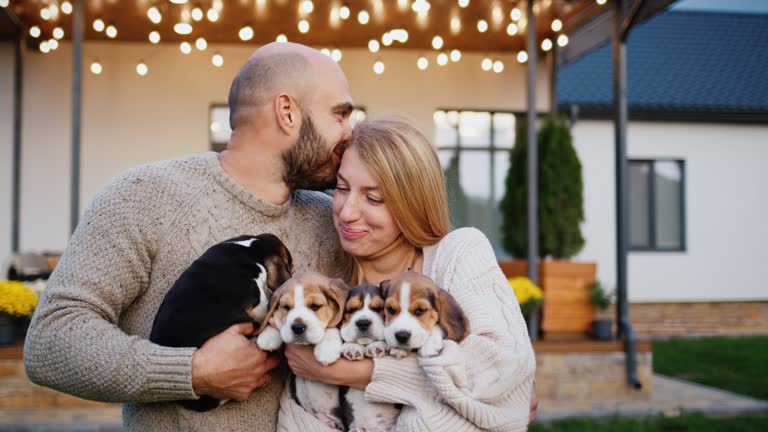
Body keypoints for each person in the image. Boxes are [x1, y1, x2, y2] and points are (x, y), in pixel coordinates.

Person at [23, 42, 354, 432]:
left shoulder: (337, 217)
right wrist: (191, 371)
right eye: (341, 115)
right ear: (287, 112)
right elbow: (51, 340)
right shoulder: (144, 195)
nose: (352, 132)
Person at [280, 115, 538, 431]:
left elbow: (501, 372)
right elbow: (302, 414)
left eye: (373, 198)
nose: (347, 212)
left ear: (412, 203)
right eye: (342, 188)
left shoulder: (458, 255)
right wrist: (452, 393)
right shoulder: (328, 294)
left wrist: (349, 372)